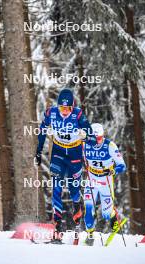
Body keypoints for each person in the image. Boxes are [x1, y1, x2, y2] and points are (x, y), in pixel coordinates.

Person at [35, 88, 95, 241]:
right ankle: (57, 226)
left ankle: (77, 213)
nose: (64, 111)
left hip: (74, 154)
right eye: (62, 107)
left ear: (72, 106)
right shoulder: (51, 113)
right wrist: (38, 152)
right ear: (58, 106)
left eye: (67, 108)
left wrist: (85, 136)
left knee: (74, 190)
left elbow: (92, 138)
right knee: (56, 186)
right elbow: (42, 131)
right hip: (58, 153)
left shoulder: (78, 115)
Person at [83, 123, 126, 245]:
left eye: (99, 138)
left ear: (103, 136)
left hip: (105, 182)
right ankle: (90, 234)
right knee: (88, 209)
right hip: (91, 180)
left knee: (106, 214)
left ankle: (113, 216)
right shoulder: (84, 144)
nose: (97, 142)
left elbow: (122, 165)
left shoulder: (110, 146)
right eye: (94, 139)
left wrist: (113, 171)